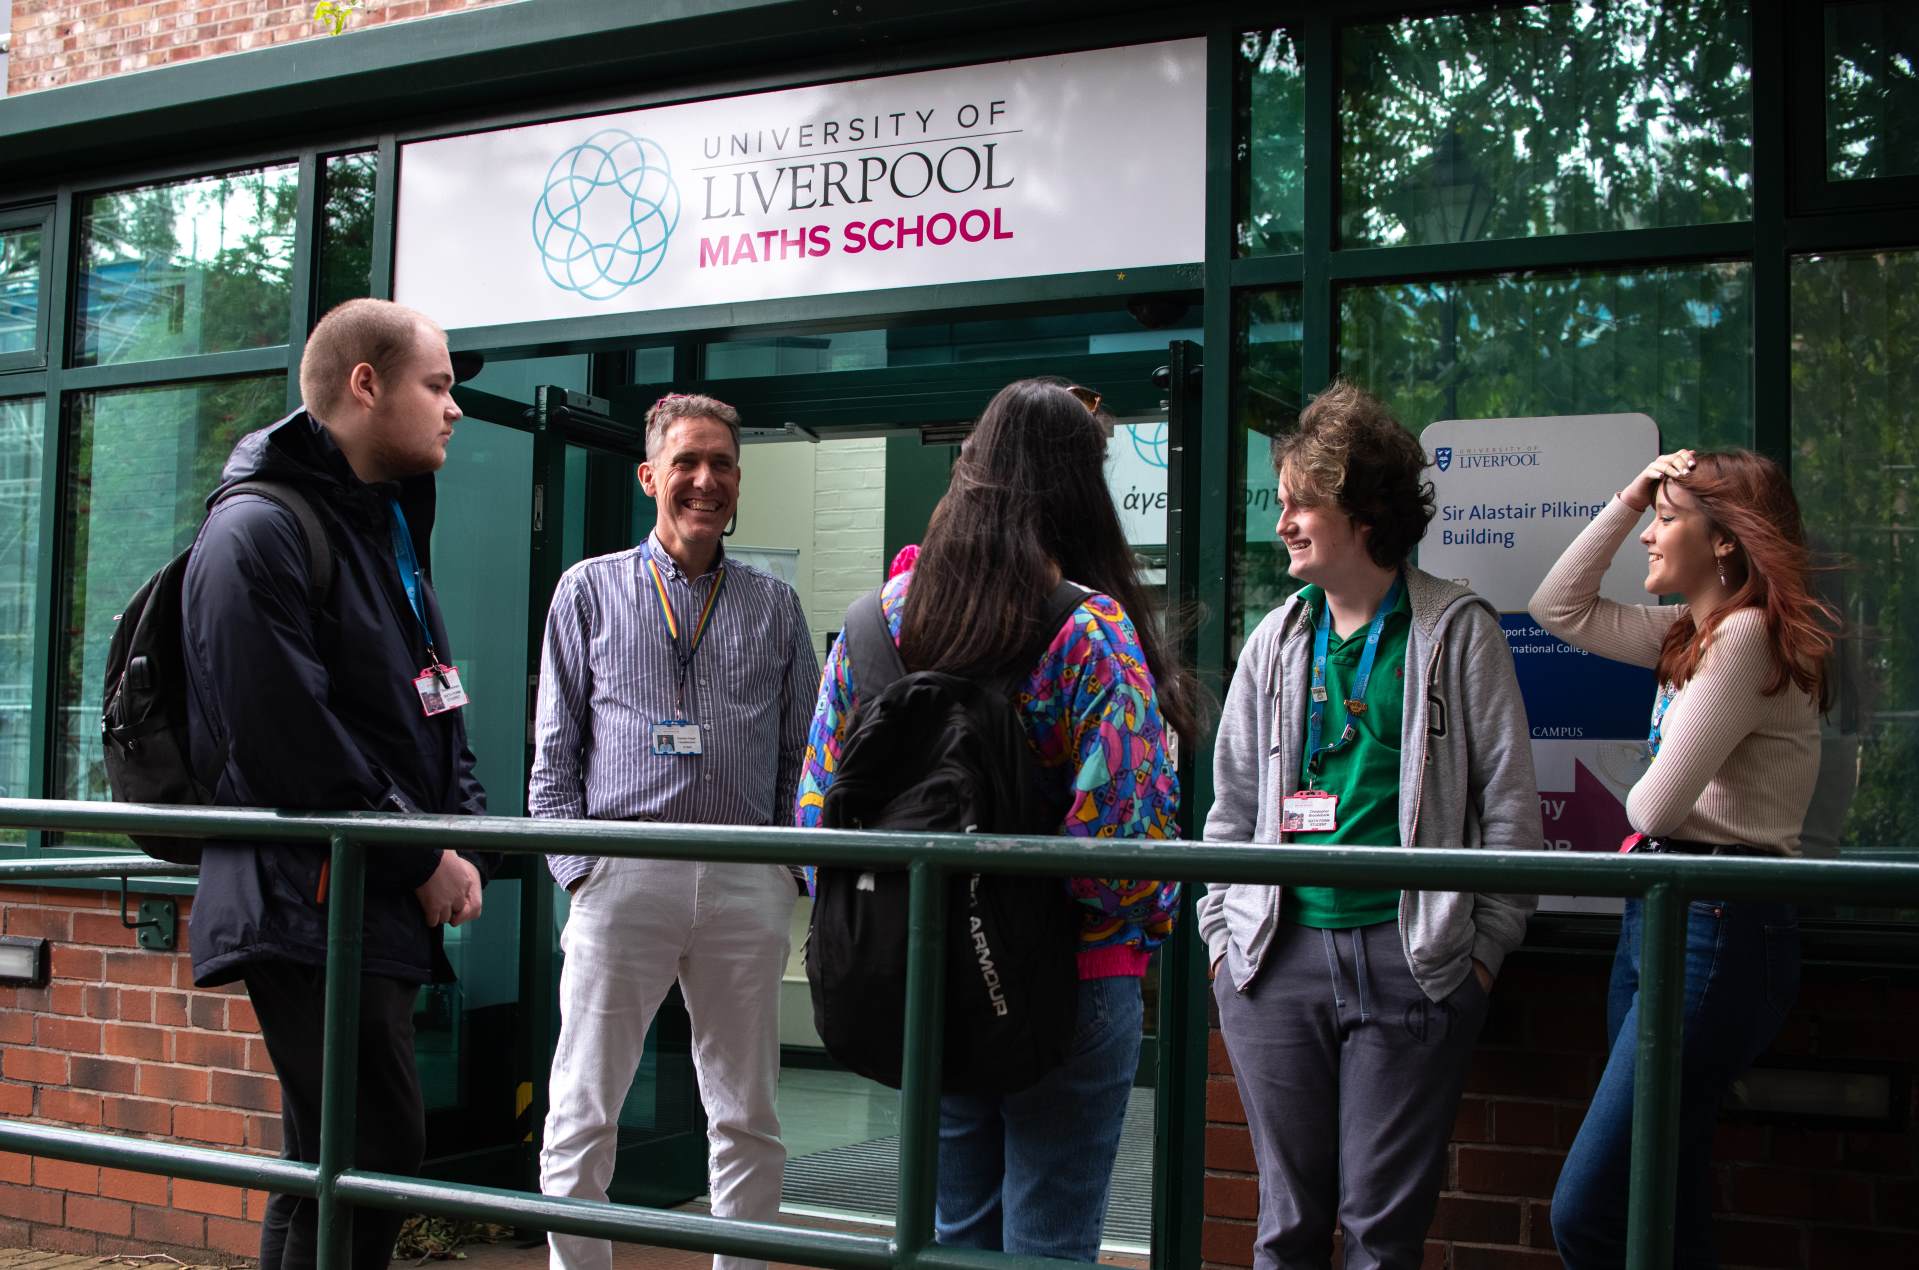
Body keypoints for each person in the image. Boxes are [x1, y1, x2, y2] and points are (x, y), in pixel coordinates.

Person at [794, 378, 1199, 1262]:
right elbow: (1125, 847)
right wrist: (1129, 935)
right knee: (1049, 1244)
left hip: (920, 977)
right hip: (1070, 980)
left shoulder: (874, 624)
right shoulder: (1086, 629)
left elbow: (815, 819)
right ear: (1079, 489)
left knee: (952, 1239)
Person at [1198, 381, 1539, 1270]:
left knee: (1382, 1236)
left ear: (1364, 511)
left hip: (1413, 961)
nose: (1284, 523)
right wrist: (1221, 947)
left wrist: (1480, 956)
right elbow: (1229, 809)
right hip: (1273, 962)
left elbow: (1508, 808)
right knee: (1285, 1230)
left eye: (1302, 503)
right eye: (1282, 504)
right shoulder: (1274, 641)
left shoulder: (1458, 632)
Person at [181, 298, 493, 1270]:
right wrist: (422, 855)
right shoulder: (258, 533)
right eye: (436, 387)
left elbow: (435, 706)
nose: (453, 411)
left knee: (332, 1161)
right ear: (366, 384)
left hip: (364, 892)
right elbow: (288, 743)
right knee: (369, 1153)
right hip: (309, 895)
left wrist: (462, 837)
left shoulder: (381, 526)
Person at [532, 393, 820, 1270]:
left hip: (744, 878)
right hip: (623, 872)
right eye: (687, 462)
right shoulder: (588, 589)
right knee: (584, 1106)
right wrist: (582, 869)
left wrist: (786, 875)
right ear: (650, 475)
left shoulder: (775, 606)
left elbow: (804, 760)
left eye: (722, 464)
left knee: (746, 1113)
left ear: (739, 481)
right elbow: (552, 758)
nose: (705, 480)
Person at [1533, 448, 1835, 1269]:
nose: (1647, 537)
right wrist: (1631, 493)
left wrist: (1635, 795)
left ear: (1726, 542)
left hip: (1719, 926)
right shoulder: (1691, 634)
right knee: (1658, 1197)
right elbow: (1556, 606)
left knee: (1590, 1211)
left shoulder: (1740, 638)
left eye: (1666, 520)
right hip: (1666, 916)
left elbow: (1654, 808)